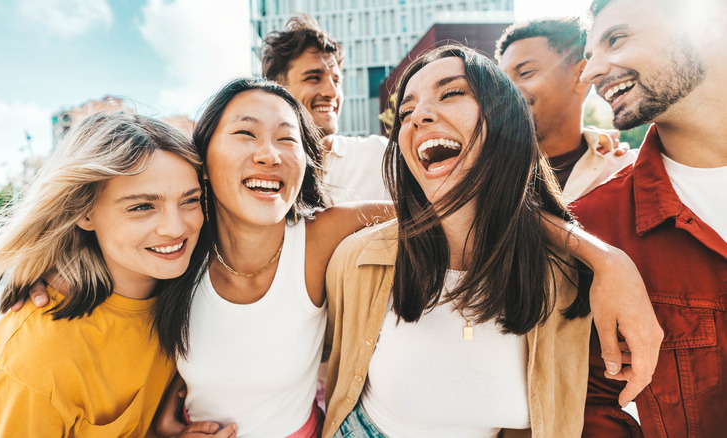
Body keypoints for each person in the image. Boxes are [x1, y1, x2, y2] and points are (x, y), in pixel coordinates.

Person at [324, 44, 597, 437]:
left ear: (505, 121)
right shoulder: (358, 259)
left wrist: (608, 260)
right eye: (406, 111)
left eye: (451, 93)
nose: (419, 115)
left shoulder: (567, 277)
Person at [0, 113, 217, 437]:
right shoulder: (28, 366)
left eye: (190, 201)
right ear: (83, 212)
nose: (176, 227)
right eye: (142, 206)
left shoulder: (189, 296)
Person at [158, 77, 393, 438]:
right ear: (202, 160)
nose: (270, 154)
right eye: (245, 134)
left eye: (287, 139)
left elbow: (441, 214)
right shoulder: (177, 247)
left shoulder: (318, 237)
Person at [573, 0, 727, 436]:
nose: (589, 74)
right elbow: (595, 408)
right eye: (588, 57)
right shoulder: (594, 228)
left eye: (616, 39)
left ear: (709, 23)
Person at [496, 17, 637, 203]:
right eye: (501, 82)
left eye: (524, 73)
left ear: (580, 76)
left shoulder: (628, 172)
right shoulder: (480, 176)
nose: (507, 91)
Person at [262, 13, 390, 203]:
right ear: (278, 89)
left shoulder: (381, 157)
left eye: (337, 81)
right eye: (314, 78)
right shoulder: (262, 171)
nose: (332, 92)